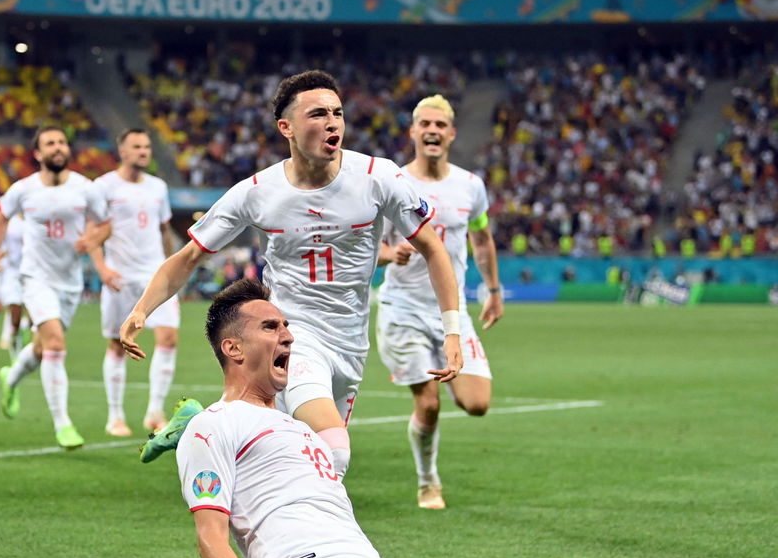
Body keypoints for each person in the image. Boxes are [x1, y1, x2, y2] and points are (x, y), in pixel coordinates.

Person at [178, 279, 526, 558]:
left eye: (286, 325)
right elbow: (210, 539)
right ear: (233, 348)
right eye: (270, 327)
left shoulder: (298, 428)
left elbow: (335, 439)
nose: (288, 335)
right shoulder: (212, 427)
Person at [121, 70, 463, 473]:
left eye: (337, 112)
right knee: (335, 453)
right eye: (317, 114)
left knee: (298, 460)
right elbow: (188, 257)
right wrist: (142, 309)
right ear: (286, 127)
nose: (332, 122)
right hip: (292, 335)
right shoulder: (258, 192)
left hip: (350, 342)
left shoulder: (378, 177)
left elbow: (433, 249)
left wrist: (452, 330)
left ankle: (199, 423)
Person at [376, 95, 503, 510]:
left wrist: (494, 290)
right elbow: (363, 239)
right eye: (424, 123)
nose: (432, 130)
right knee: (427, 403)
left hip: (452, 313)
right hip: (403, 310)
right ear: (413, 131)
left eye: (440, 125)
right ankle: (428, 482)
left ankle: (441, 373)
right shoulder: (393, 181)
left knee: (477, 403)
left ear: (451, 133)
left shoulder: (470, 186)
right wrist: (386, 254)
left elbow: (481, 238)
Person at [0, 126, 107, 450]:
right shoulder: (23, 189)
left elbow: (106, 223)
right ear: (37, 153)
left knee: (42, 348)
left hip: (69, 282)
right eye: (50, 143)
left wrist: (93, 239)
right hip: (35, 278)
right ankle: (63, 423)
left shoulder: (85, 188)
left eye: (62, 142)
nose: (57, 147)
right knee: (55, 343)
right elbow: (0, 217)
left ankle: (10, 378)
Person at [83, 128, 180, 437]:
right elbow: (92, 233)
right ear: (122, 151)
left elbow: (164, 231)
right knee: (116, 344)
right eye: (137, 146)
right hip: (119, 279)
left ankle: (155, 411)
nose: (144, 151)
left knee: (168, 339)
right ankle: (115, 416)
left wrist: (171, 269)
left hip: (154, 276)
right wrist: (102, 269)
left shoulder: (158, 187)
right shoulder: (104, 187)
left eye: (147, 146)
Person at [0, 212, 28, 357]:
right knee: (15, 312)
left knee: (33, 313)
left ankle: (24, 329)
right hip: (12, 272)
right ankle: (13, 343)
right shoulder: (10, 222)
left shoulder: (37, 218)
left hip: (33, 271)